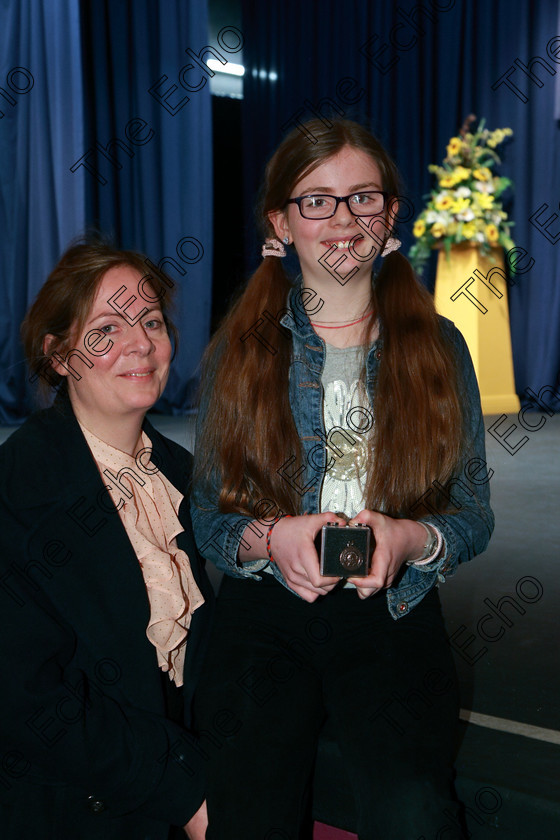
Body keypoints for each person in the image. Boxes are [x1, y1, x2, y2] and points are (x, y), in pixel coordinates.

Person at [190, 118, 494, 840]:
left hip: (392, 610)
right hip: (263, 614)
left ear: (390, 215)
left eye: (363, 198)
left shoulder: (439, 347)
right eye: (317, 201)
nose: (344, 220)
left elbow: (473, 514)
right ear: (280, 221)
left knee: (416, 815)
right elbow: (206, 517)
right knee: (245, 817)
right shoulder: (243, 345)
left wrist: (410, 537)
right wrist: (270, 537)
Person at [0, 241, 213, 840]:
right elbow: (29, 702)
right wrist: (186, 793)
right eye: (106, 330)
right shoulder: (16, 490)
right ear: (60, 355)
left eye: (150, 322)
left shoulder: (177, 473)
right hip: (72, 808)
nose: (141, 344)